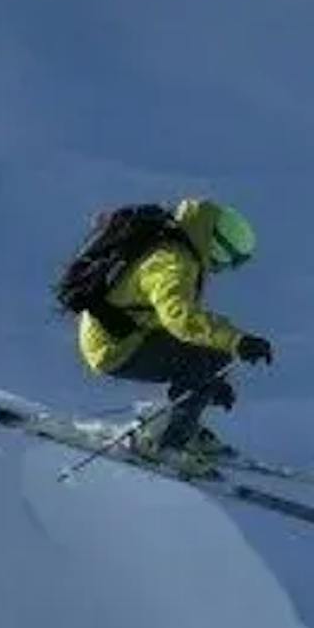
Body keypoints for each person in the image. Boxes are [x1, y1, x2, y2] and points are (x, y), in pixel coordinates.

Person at [74, 196, 275, 463]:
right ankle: (168, 445)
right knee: (211, 355)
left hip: (124, 333)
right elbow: (180, 318)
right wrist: (236, 341)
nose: (221, 269)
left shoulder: (174, 245)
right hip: (115, 346)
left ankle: (181, 428)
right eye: (228, 262)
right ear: (217, 246)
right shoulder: (173, 261)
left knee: (209, 357)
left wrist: (211, 383)